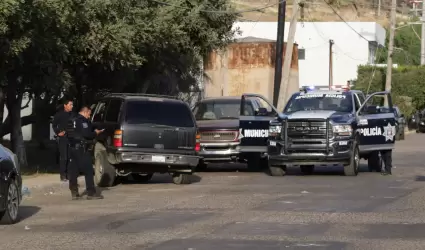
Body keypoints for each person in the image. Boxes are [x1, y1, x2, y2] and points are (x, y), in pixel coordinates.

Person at [66, 106, 104, 200]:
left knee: (73, 171)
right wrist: (96, 133)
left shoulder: (72, 119)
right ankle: (91, 192)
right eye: (89, 114)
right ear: (85, 112)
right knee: (89, 170)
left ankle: (74, 192)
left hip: (71, 148)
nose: (89, 116)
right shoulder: (82, 121)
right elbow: (87, 134)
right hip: (81, 148)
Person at [52, 98, 74, 181]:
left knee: (70, 157)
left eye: (72, 105)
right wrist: (58, 133)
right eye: (70, 104)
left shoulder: (73, 115)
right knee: (64, 157)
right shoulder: (59, 115)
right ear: (65, 105)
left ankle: (69, 174)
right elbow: (54, 125)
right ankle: (63, 175)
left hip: (72, 137)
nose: (72, 106)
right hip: (63, 138)